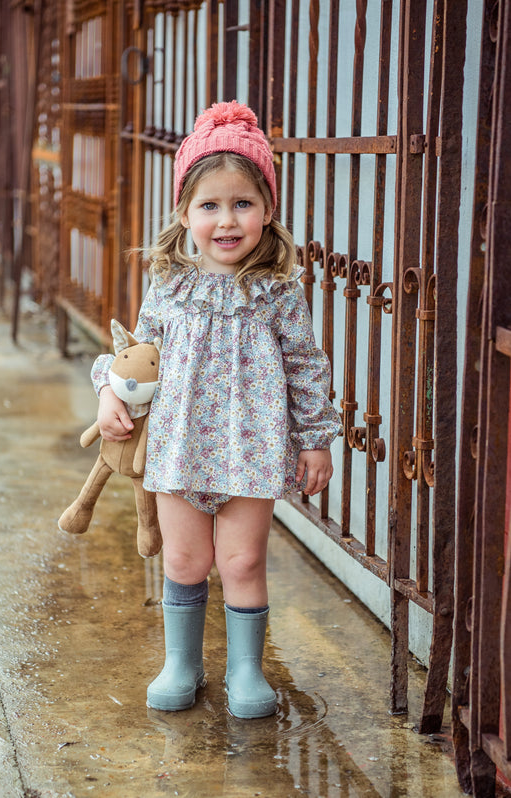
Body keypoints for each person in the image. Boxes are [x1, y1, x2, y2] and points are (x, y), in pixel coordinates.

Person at [92, 101, 342, 719]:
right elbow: (135, 355)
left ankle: (246, 670)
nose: (227, 220)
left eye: (242, 203)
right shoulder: (169, 285)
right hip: (179, 447)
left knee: (242, 559)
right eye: (210, 205)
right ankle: (181, 662)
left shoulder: (277, 290)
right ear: (185, 214)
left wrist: (314, 438)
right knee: (184, 558)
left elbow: (307, 367)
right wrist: (108, 394)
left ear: (267, 211)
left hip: (251, 447)